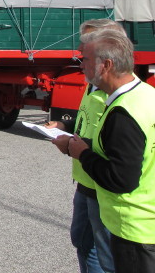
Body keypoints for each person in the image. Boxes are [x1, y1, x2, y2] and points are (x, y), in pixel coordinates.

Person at [65, 28, 155, 273]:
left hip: (134, 228)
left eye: (85, 59)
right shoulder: (147, 95)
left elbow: (121, 179)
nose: (81, 65)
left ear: (105, 65)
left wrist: (82, 153)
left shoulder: (123, 112)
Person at [49, 19, 122, 273]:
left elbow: (114, 146)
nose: (80, 49)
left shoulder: (113, 92)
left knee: (101, 255)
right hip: (86, 180)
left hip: (100, 185)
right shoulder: (94, 84)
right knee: (82, 241)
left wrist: (73, 146)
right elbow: (88, 123)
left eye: (86, 45)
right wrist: (64, 126)